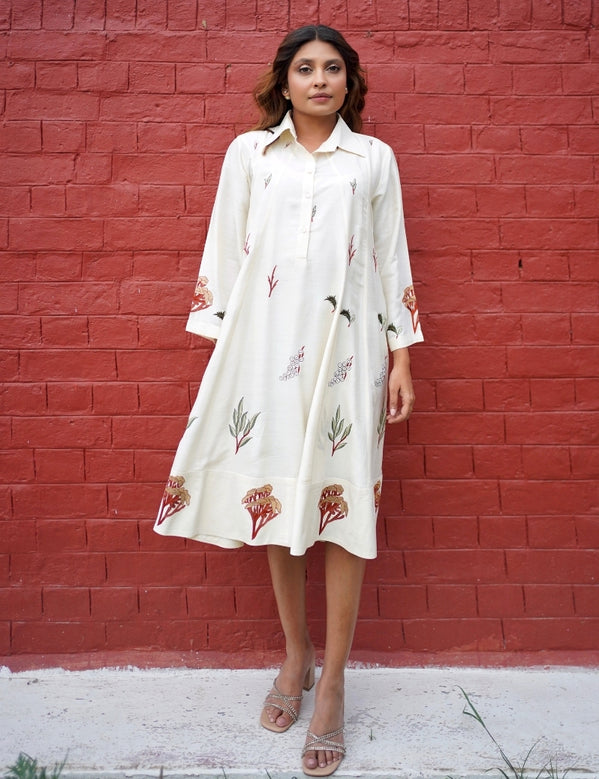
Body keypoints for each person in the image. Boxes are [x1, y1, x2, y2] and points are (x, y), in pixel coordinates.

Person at [154, 24, 423, 777]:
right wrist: (226, 357)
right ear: (284, 79)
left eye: (331, 68)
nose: (318, 80)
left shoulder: (373, 160)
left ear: (349, 82)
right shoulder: (249, 154)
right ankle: (295, 655)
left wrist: (401, 357)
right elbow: (225, 248)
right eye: (304, 68)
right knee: (274, 501)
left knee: (341, 510)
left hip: (350, 356)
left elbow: (388, 254)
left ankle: (332, 683)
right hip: (265, 353)